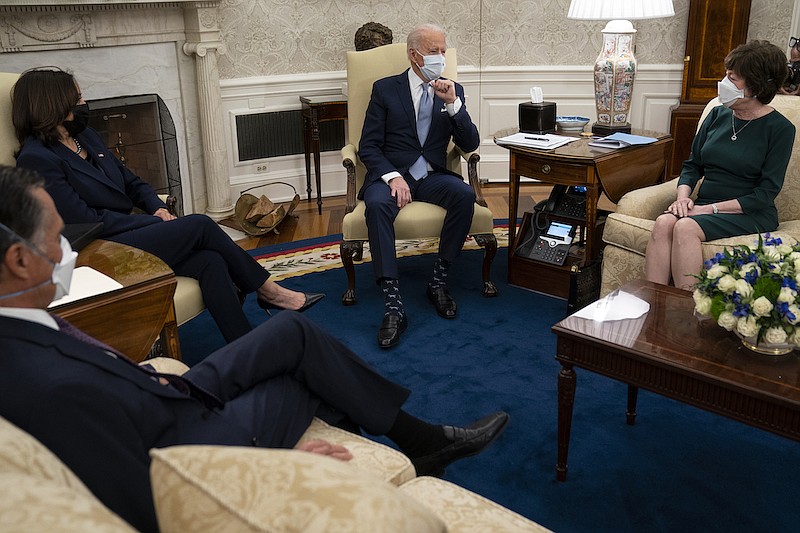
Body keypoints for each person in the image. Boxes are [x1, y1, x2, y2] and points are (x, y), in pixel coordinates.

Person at [0, 165, 509, 533]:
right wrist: (275, 468)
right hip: (194, 437)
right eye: (62, 238)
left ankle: (416, 440)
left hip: (166, 391)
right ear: (20, 261)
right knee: (306, 373)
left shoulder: (24, 327)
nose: (69, 250)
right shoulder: (40, 383)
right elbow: (153, 491)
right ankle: (419, 442)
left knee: (292, 334)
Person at [11, 67, 324, 344]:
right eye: (77, 98)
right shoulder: (38, 158)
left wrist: (155, 207)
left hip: (128, 231)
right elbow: (87, 220)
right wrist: (154, 224)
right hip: (101, 248)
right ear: (53, 104)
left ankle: (248, 346)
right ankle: (270, 292)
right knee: (200, 224)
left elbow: (131, 182)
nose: (84, 104)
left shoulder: (87, 138)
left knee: (210, 261)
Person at [359, 23, 480, 348]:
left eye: (444, 50)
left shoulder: (453, 89)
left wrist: (454, 105)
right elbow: (367, 146)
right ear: (414, 55)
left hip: (432, 175)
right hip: (392, 174)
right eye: (434, 52)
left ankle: (438, 282)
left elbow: (470, 142)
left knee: (464, 195)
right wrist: (392, 177)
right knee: (377, 204)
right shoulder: (385, 89)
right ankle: (394, 305)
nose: (441, 58)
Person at [645, 40, 796, 291]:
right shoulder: (717, 114)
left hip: (749, 212)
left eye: (733, 79)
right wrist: (682, 198)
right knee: (663, 223)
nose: (724, 84)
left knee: (685, 226)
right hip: (704, 206)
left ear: (756, 85)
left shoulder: (780, 129)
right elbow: (693, 165)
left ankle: (685, 315)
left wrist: (706, 211)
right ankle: (651, 304)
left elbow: (765, 194)